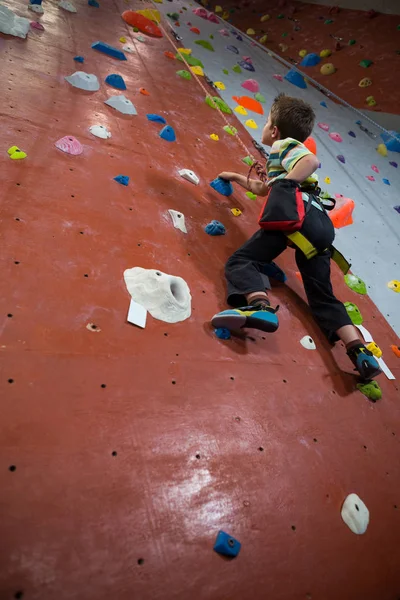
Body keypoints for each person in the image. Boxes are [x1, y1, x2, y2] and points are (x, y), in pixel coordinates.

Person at [211, 93, 381, 381]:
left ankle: (260, 306)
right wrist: (234, 176)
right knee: (324, 297)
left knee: (242, 261)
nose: (265, 128)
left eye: (267, 123)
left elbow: (311, 161)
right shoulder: (282, 158)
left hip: (295, 222)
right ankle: (360, 351)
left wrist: (286, 183)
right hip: (318, 227)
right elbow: (264, 189)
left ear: (275, 130)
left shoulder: (284, 145)